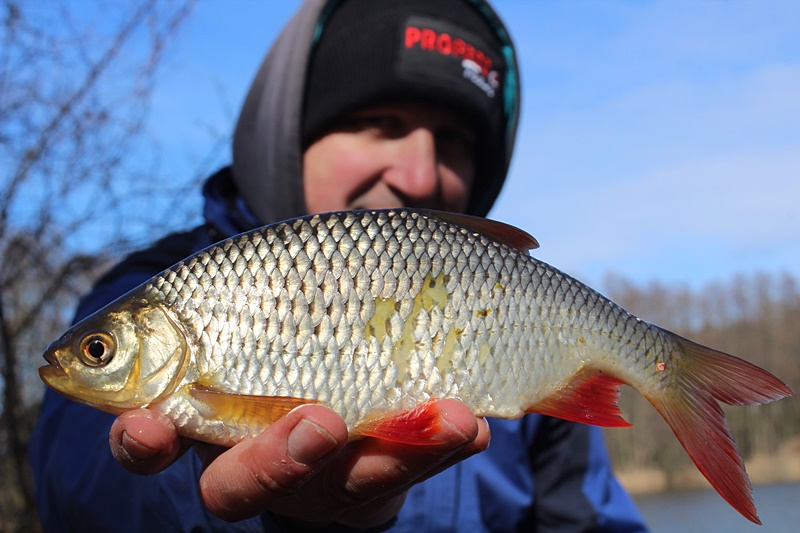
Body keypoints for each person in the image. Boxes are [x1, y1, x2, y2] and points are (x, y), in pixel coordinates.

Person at [30, 0, 648, 531]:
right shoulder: (152, 280)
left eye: (454, 140)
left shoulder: (525, 321)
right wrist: (255, 517)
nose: (419, 174)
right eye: (381, 124)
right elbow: (74, 488)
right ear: (291, 133)